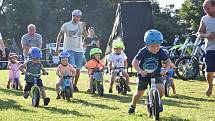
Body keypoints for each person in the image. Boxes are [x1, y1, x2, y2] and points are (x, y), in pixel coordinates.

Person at [128, 29, 171, 114]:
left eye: (158, 46)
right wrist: (140, 71)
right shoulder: (143, 51)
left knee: (161, 89)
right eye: (152, 46)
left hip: (156, 73)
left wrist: (165, 70)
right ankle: (132, 106)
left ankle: (156, 102)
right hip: (144, 74)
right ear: (147, 44)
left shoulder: (160, 51)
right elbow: (135, 62)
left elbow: (168, 61)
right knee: (139, 93)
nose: (155, 48)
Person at [55, 9, 87, 92]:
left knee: (78, 69)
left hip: (79, 49)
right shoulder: (66, 25)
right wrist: (57, 48)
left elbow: (86, 36)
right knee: (72, 68)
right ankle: (69, 85)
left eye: (79, 17)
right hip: (69, 49)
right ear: (73, 16)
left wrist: (84, 28)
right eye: (76, 16)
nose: (78, 18)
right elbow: (60, 36)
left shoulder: (81, 25)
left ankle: (74, 85)